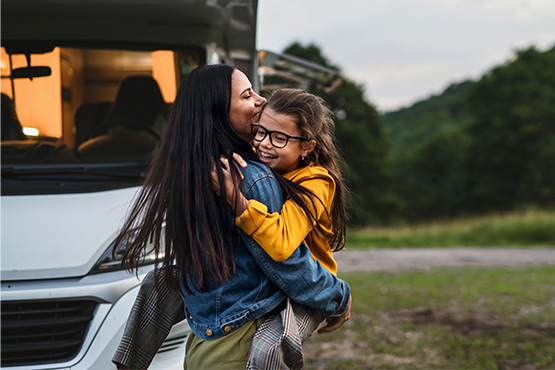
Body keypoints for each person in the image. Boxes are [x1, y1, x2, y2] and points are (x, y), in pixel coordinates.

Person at [113, 64, 351, 369]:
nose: (261, 101)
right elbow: (286, 261)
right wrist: (339, 295)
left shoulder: (194, 170)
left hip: (206, 338)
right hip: (238, 340)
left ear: (307, 147)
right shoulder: (250, 179)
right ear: (218, 111)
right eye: (247, 95)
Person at [213, 88, 348, 368]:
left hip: (308, 290)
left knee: (268, 349)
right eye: (260, 132)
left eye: (280, 138)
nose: (264, 144)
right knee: (159, 284)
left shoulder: (317, 183)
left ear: (307, 147)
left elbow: (282, 242)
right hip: (274, 283)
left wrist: (237, 201)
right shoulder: (266, 166)